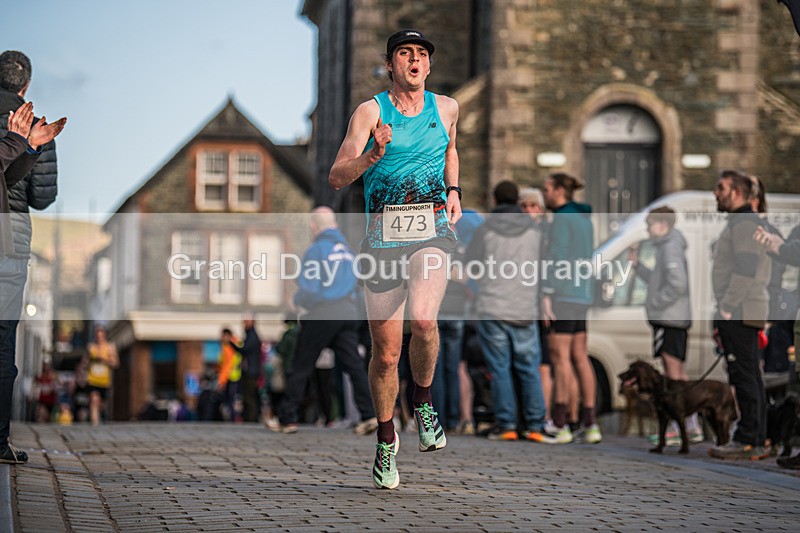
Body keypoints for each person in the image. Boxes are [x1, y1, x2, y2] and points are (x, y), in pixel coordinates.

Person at [328, 29, 461, 489]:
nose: (414, 60)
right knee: (385, 356)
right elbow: (336, 176)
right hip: (382, 238)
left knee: (423, 320)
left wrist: (454, 190)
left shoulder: (447, 108)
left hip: (432, 229)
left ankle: (422, 399)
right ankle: (387, 438)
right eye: (405, 53)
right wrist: (373, 155)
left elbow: (451, 149)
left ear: (429, 64)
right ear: (390, 64)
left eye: (421, 54)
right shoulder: (370, 112)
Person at [1, 50, 66, 464]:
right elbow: (43, 197)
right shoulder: (35, 126)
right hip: (12, 237)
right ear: (26, 85)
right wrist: (31, 146)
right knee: (4, 340)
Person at [268, 207, 377, 435]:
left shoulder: (316, 250)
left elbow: (310, 288)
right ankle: (369, 414)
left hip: (323, 313)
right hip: (347, 313)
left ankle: (287, 418)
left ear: (313, 226)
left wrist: (297, 301)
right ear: (334, 225)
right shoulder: (348, 251)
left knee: (301, 364)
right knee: (354, 366)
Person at [465, 181, 550, 442]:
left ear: (495, 199)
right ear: (517, 201)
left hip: (492, 306)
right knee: (529, 367)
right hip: (524, 307)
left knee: (499, 368)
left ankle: (507, 424)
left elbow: (471, 264)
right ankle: (535, 425)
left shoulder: (485, 229)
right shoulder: (535, 230)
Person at [708, 170, 771, 460]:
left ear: (736, 193)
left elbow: (746, 267)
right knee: (749, 374)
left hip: (741, 310)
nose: (716, 193)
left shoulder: (745, 223)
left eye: (721, 188)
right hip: (743, 309)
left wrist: (727, 306)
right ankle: (755, 437)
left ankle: (748, 438)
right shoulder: (741, 222)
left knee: (744, 375)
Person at [629, 206, 702, 446]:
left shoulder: (670, 247)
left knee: (672, 374)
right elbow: (659, 280)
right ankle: (689, 425)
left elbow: (677, 284)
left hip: (669, 319)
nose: (647, 230)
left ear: (662, 224)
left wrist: (656, 303)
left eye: (649, 224)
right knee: (677, 371)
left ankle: (680, 425)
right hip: (675, 318)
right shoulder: (668, 246)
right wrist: (639, 267)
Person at [540, 173, 602, 444]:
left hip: (563, 294)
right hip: (583, 295)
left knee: (560, 358)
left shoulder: (562, 218)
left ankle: (560, 424)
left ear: (559, 190)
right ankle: (590, 424)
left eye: (547, 189)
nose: (545, 194)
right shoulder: (584, 218)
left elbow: (558, 255)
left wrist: (546, 293)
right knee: (580, 357)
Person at [84, 326, 119, 426]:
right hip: (92, 379)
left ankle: (102, 415)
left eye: (101, 336)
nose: (99, 338)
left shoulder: (110, 348)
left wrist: (104, 360)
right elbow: (85, 363)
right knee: (94, 399)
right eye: (97, 336)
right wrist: (89, 359)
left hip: (104, 381)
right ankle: (95, 423)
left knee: (102, 404)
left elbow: (116, 363)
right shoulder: (91, 347)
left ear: (105, 336)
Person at [233, 315, 263, 423]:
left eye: (246, 322)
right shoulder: (250, 335)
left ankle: (251, 418)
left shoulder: (252, 336)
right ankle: (249, 417)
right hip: (250, 371)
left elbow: (245, 349)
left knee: (249, 397)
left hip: (251, 371)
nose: (244, 324)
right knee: (247, 396)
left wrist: (233, 344)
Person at [217, 328, 242, 422]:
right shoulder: (226, 346)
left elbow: (228, 364)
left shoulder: (233, 345)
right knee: (228, 399)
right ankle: (231, 418)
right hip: (228, 376)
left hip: (233, 376)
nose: (222, 338)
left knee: (231, 399)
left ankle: (233, 418)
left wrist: (222, 379)